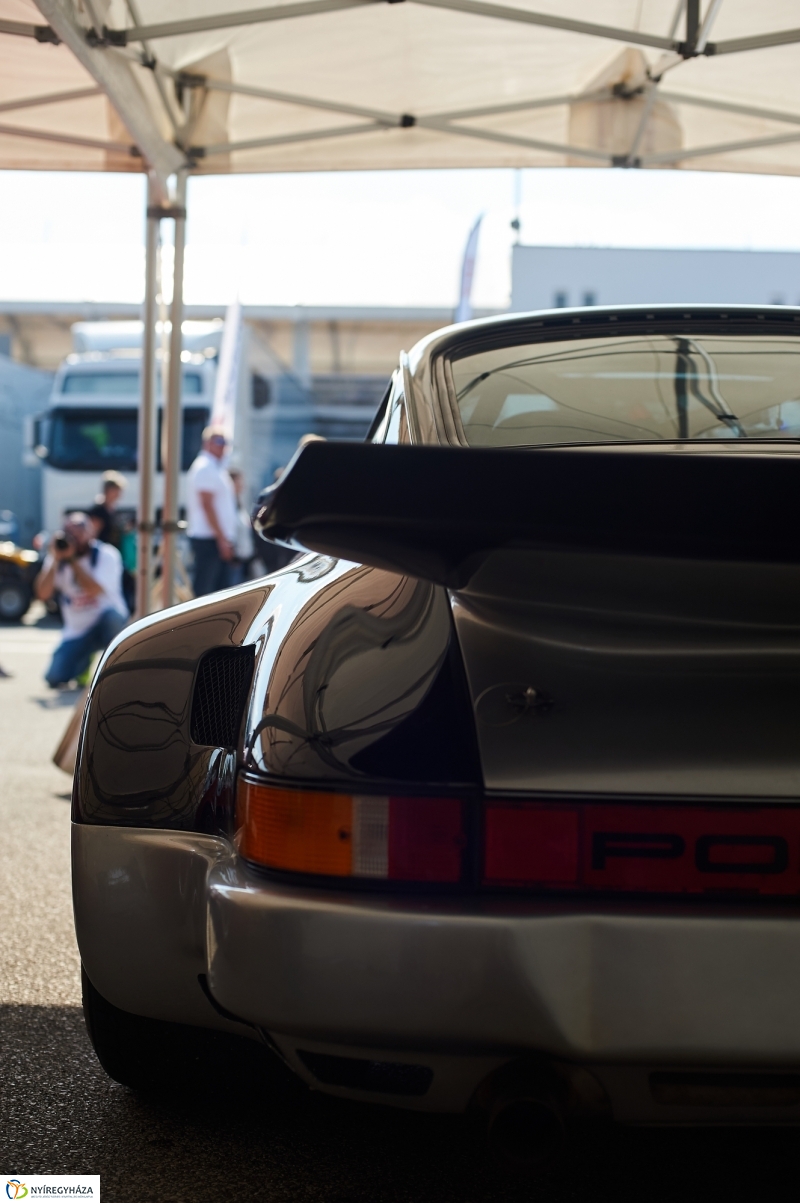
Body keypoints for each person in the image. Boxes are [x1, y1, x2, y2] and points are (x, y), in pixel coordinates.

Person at [34, 514, 128, 688]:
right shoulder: (58, 558)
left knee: (112, 618)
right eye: (70, 533)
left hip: (106, 622)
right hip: (77, 630)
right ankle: (83, 662)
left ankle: (121, 672)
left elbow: (94, 589)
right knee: (54, 678)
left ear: (90, 533)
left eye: (79, 532)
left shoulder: (106, 554)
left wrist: (72, 561)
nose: (74, 538)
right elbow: (42, 594)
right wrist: (55, 559)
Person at [186, 425, 238, 597]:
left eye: (225, 442)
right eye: (219, 441)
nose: (223, 446)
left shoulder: (215, 467)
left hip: (214, 538)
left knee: (218, 593)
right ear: (207, 443)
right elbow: (207, 505)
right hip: (209, 540)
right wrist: (222, 539)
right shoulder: (205, 467)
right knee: (205, 593)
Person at [87, 471, 134, 613]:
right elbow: (92, 535)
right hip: (103, 558)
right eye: (118, 490)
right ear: (109, 490)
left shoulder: (112, 509)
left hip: (115, 555)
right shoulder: (98, 510)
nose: (120, 494)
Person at [228, 467, 256, 585]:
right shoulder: (228, 504)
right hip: (235, 558)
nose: (241, 485)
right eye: (238, 481)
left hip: (245, 558)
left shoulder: (238, 502)